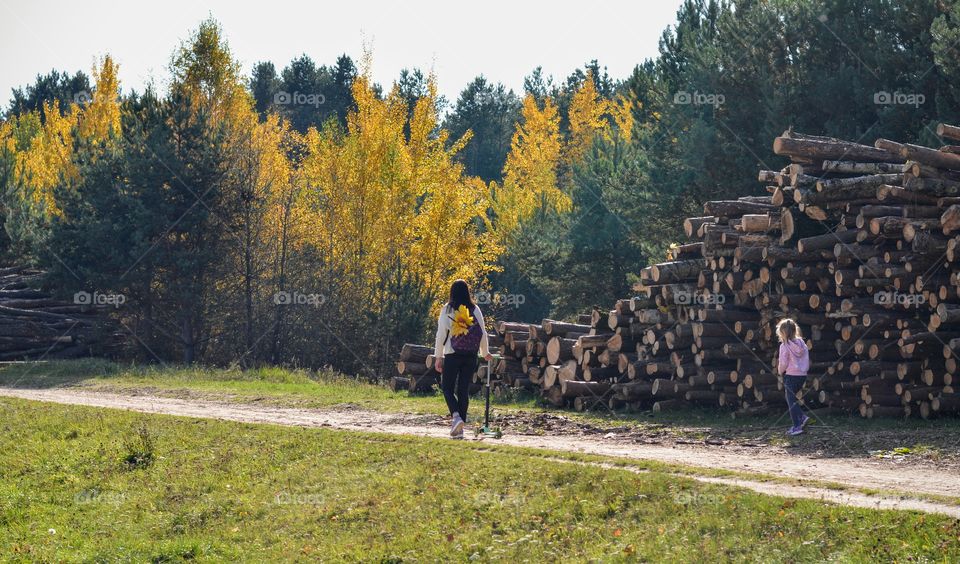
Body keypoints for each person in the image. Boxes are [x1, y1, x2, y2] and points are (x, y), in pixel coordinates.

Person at [434, 280, 492, 439]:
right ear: (467, 292)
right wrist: (485, 352)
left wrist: (438, 357)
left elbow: (440, 335)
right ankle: (460, 429)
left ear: (452, 292)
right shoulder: (475, 308)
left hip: (452, 354)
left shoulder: (447, 309)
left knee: (447, 388)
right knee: (463, 390)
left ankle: (456, 417)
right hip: (471, 355)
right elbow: (483, 333)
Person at [777, 318, 810, 436]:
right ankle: (799, 421)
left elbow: (783, 363)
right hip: (802, 376)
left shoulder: (784, 346)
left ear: (783, 333)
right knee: (792, 399)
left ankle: (798, 424)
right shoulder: (802, 343)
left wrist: (780, 371)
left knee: (790, 400)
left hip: (790, 375)